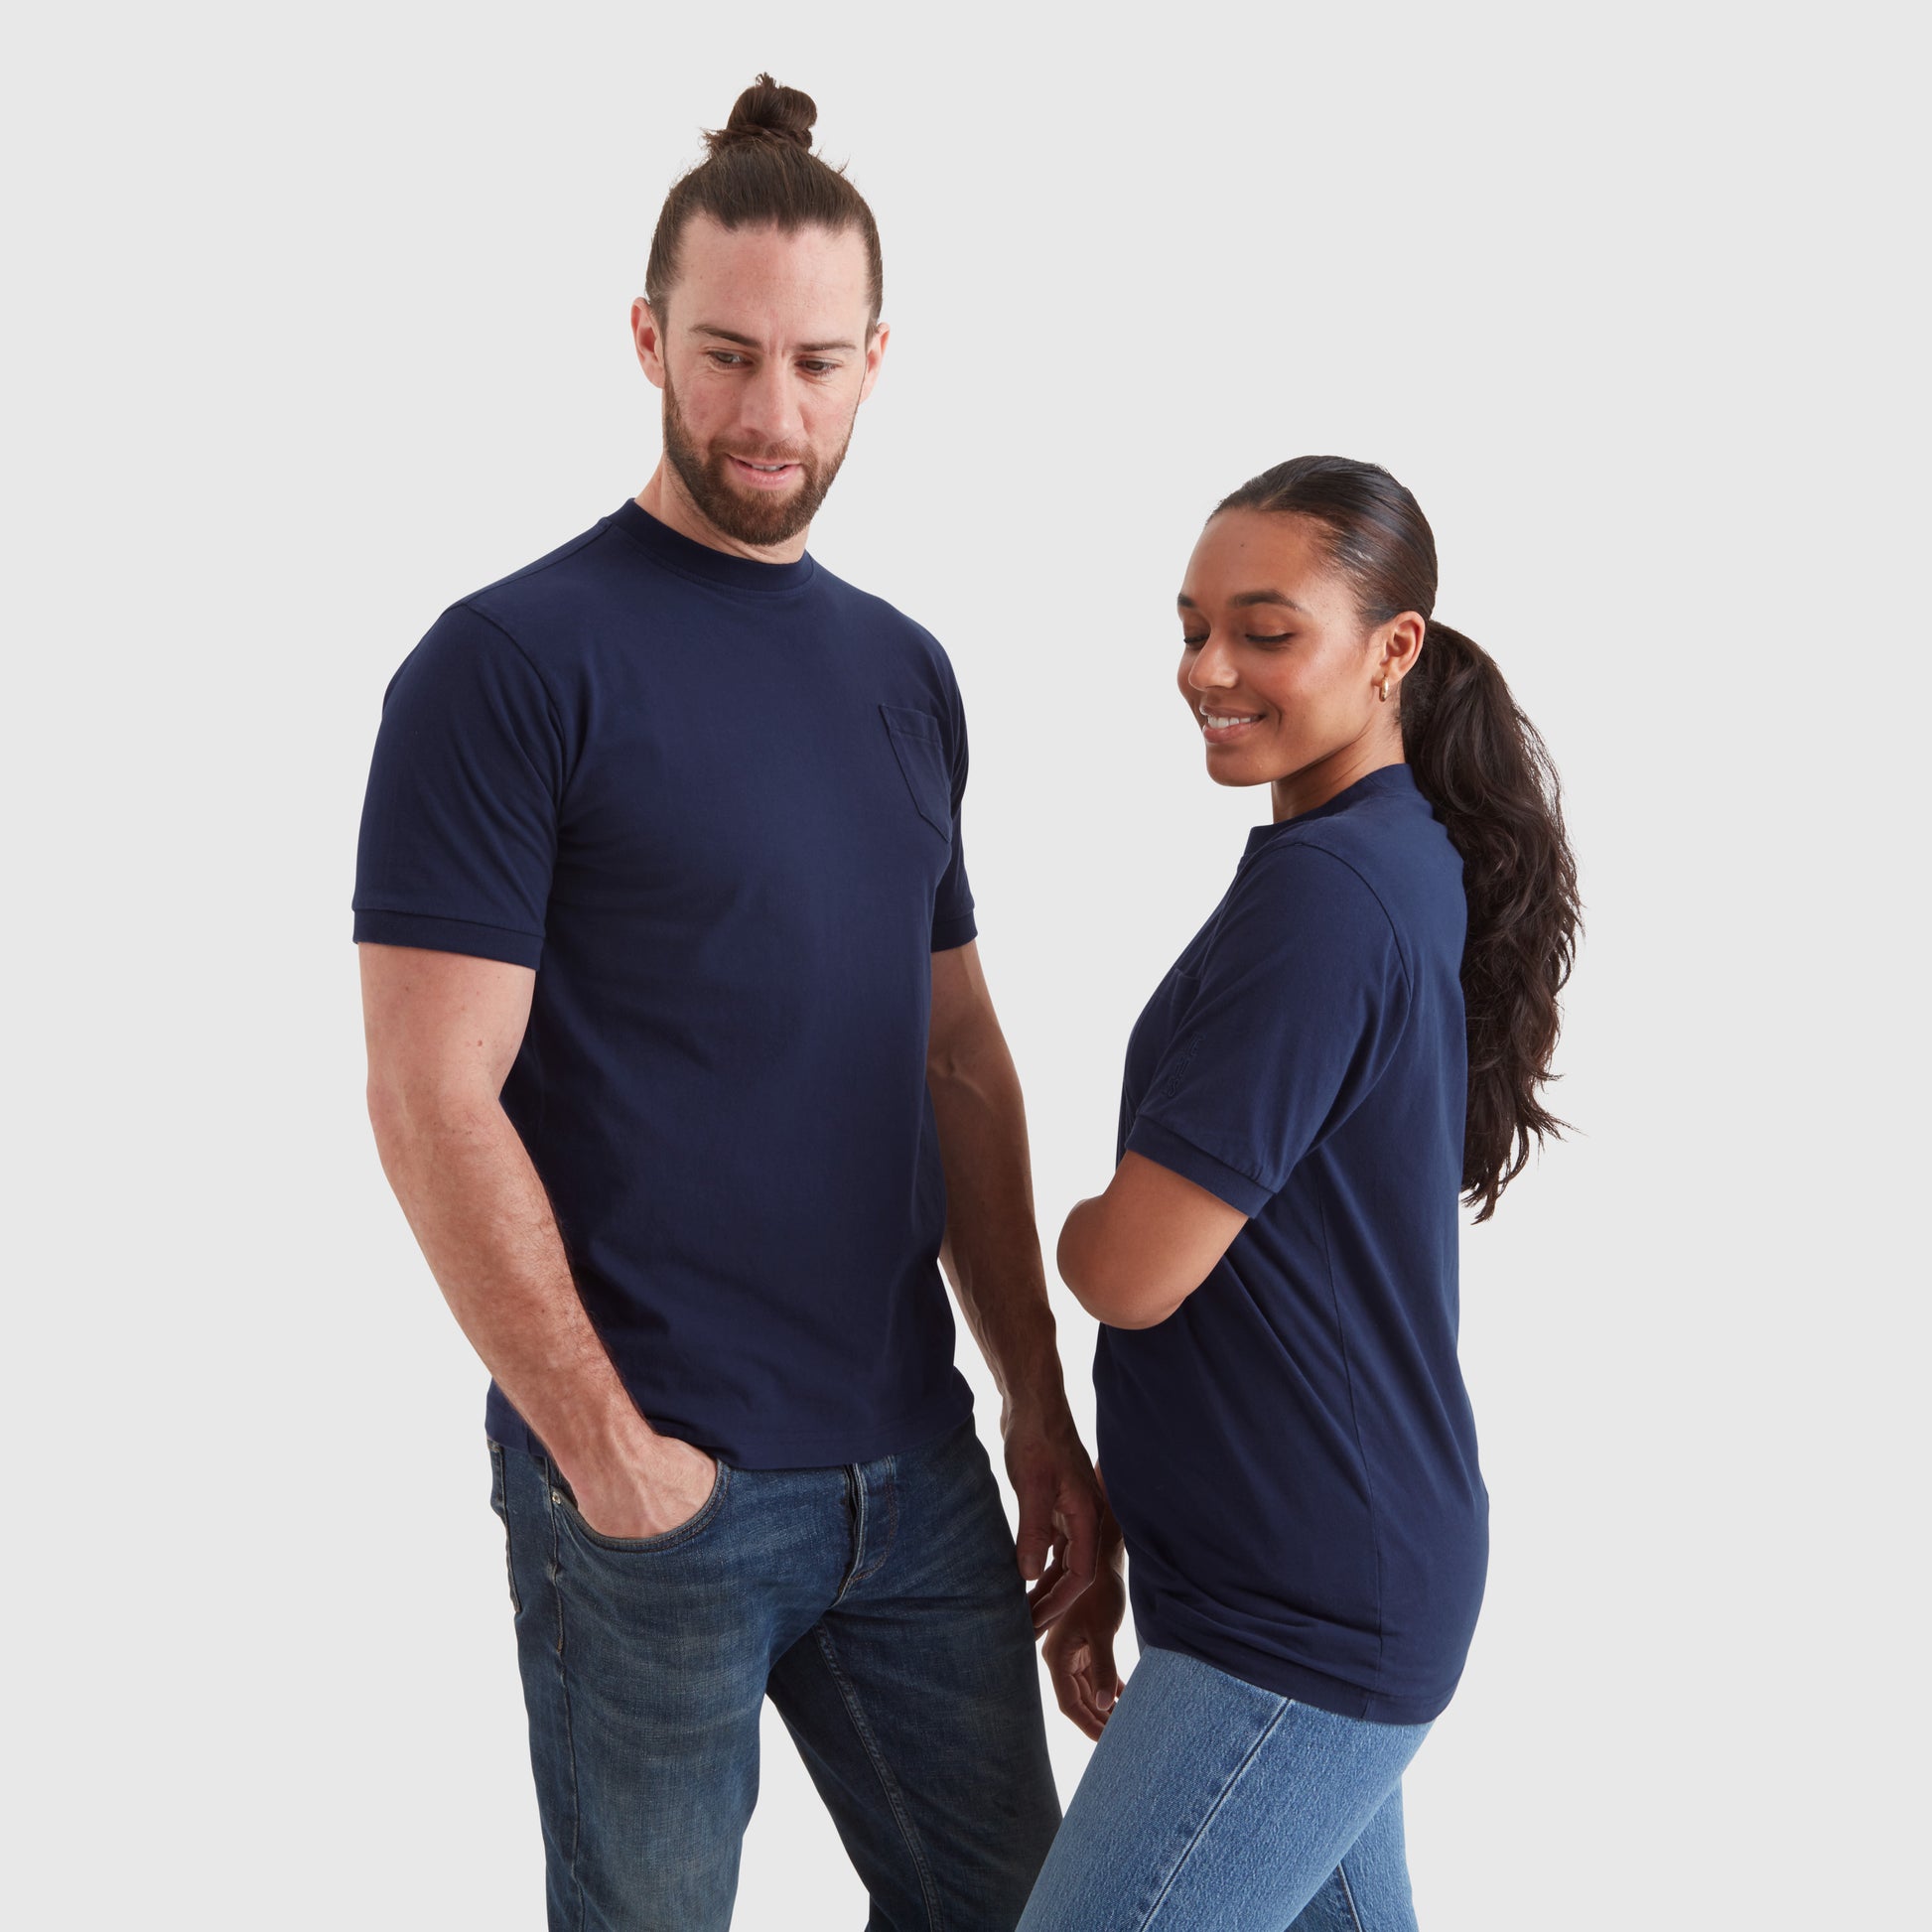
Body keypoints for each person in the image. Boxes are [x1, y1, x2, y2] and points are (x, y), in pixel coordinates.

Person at [353, 74, 1097, 1932]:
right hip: (656, 1485)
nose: (772, 414)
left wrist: (1033, 1397)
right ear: (645, 338)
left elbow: (953, 1055)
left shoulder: (905, 672)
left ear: (875, 363)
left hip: (911, 1467)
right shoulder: (506, 665)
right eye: (727, 356)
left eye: (818, 363)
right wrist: (609, 1453)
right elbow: (430, 1095)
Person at [1022, 457, 1581, 1931]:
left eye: (1264, 632)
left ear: (1393, 649)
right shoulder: (1376, 856)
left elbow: (1131, 1269)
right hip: (1307, 1569)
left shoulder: (1324, 896)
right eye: (1192, 628)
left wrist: (1070, 1221)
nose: (1208, 669)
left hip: (1299, 1608)